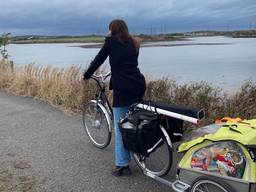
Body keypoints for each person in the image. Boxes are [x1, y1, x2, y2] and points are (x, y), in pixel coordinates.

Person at [83, 19, 146, 177]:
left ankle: (122, 165)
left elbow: (98, 60)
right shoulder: (134, 43)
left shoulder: (110, 42)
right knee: (134, 122)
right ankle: (140, 153)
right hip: (138, 83)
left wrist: (86, 75)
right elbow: (128, 63)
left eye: (109, 29)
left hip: (123, 88)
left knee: (120, 127)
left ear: (112, 30)